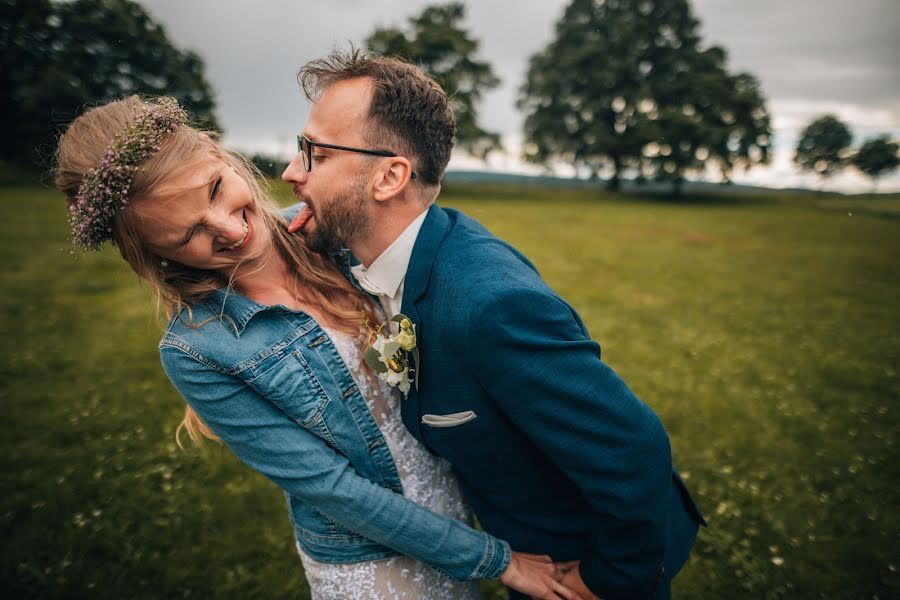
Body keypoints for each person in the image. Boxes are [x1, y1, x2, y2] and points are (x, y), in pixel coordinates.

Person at [54, 95, 584, 600]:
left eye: (216, 189)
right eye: (187, 234)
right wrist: (496, 560)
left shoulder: (333, 231)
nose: (228, 229)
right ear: (152, 253)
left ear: (223, 157)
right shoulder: (198, 350)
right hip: (368, 560)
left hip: (458, 501)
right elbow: (332, 489)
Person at [282, 49, 707, 600]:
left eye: (314, 153)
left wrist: (609, 580)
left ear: (389, 176)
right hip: (525, 547)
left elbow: (635, 451)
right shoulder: (393, 250)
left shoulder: (490, 307)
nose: (292, 172)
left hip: (574, 564)